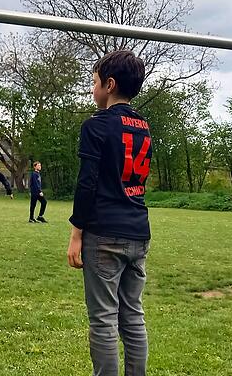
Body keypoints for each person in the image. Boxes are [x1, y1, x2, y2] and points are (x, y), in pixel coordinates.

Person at [66, 50, 153, 376]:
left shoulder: (96, 125)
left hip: (104, 234)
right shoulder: (144, 126)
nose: (93, 88)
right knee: (132, 314)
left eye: (94, 82)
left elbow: (86, 184)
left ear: (109, 84)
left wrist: (77, 233)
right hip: (138, 230)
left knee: (103, 318)